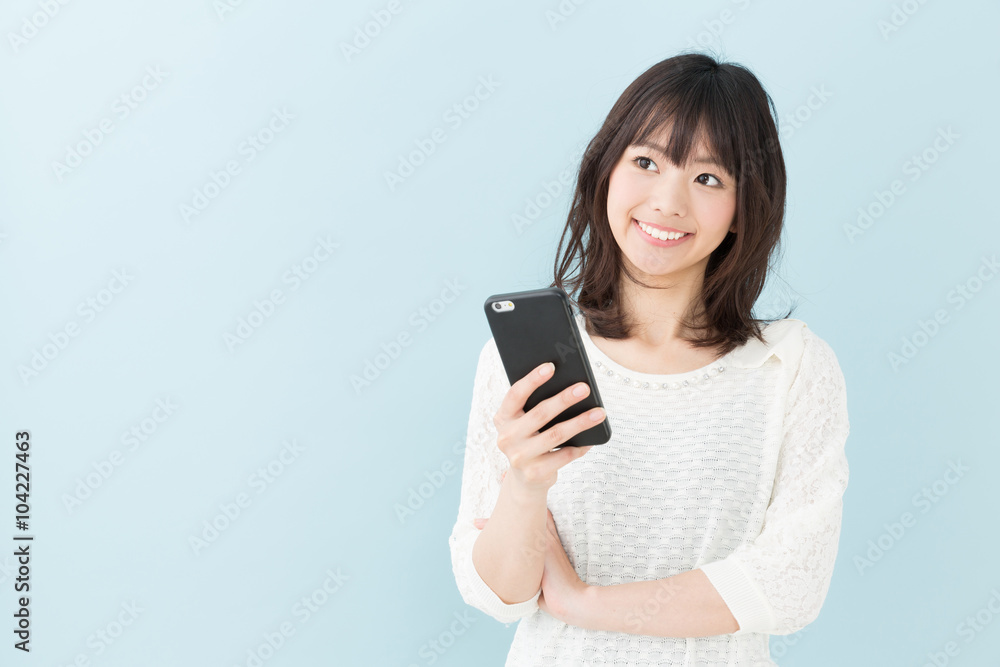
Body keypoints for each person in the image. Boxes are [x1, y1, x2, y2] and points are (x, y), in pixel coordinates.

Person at [448, 51, 850, 666]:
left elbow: (791, 584)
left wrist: (585, 604)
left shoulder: (790, 369)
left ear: (745, 209)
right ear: (606, 170)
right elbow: (497, 595)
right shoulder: (520, 363)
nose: (667, 202)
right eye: (646, 161)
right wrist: (527, 485)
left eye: (708, 178)